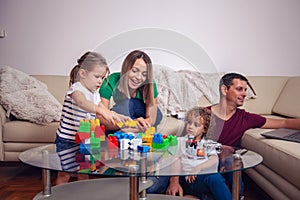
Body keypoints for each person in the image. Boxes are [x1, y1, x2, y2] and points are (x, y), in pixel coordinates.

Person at [166, 72, 300, 198]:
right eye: (239, 89)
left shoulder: (245, 118)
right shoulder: (201, 117)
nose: (244, 94)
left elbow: (285, 122)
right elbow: (178, 152)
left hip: (225, 167)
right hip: (199, 170)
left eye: (245, 90)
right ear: (225, 90)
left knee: (234, 167)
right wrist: (174, 181)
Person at [55, 51, 127, 185]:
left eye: (102, 78)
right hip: (68, 141)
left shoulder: (94, 93)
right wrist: (99, 110)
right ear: (83, 74)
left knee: (85, 172)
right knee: (65, 174)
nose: (100, 81)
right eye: (97, 76)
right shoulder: (76, 89)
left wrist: (119, 117)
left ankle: (83, 195)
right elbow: (83, 103)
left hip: (85, 140)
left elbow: (103, 109)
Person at [168, 107, 232, 199]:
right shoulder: (181, 141)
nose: (190, 127)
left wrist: (198, 168)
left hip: (206, 177)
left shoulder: (207, 143)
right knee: (214, 178)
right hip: (191, 180)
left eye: (196, 125)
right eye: (189, 123)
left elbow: (214, 158)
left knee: (215, 177)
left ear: (205, 129)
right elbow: (175, 158)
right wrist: (175, 181)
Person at [99, 50, 162, 133]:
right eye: (135, 71)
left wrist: (142, 123)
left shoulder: (150, 84)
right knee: (127, 104)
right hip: (125, 113)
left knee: (158, 114)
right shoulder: (111, 81)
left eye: (144, 74)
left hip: (142, 113)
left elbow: (151, 117)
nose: (139, 77)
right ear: (126, 69)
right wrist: (132, 123)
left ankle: (129, 130)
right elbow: (102, 117)